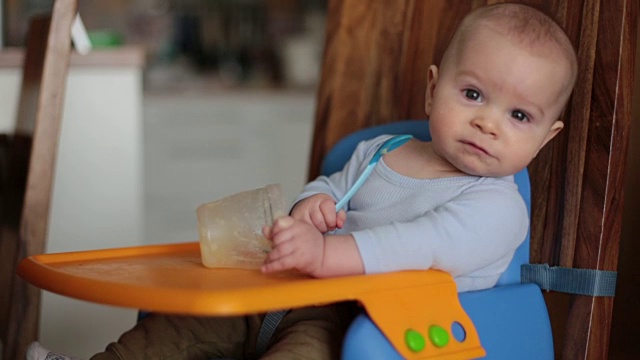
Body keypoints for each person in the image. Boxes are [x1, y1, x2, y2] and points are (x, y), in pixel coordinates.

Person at [28, 3, 578, 360]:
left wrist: (325, 257)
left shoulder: (496, 207)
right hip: (283, 292)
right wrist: (311, 208)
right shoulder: (380, 151)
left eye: (519, 117)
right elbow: (331, 187)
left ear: (545, 138)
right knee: (174, 328)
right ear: (434, 89)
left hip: (361, 324)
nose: (488, 122)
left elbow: (421, 246)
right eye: (474, 95)